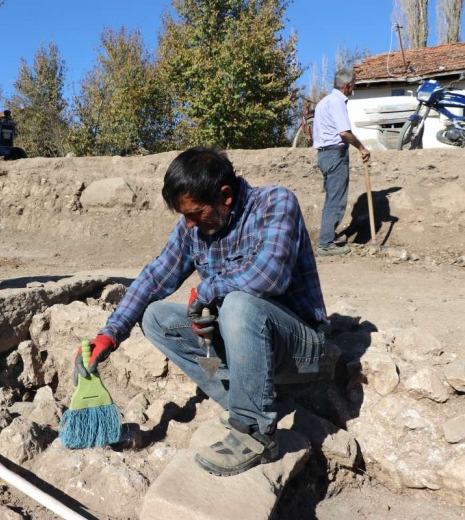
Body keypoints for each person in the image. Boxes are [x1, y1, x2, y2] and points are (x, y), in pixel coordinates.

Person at [73, 147, 328, 476]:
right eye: (184, 216)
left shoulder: (276, 203)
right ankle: (241, 398)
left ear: (225, 195)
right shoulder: (191, 229)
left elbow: (269, 276)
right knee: (156, 318)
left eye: (195, 213)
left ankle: (255, 434)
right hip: (246, 339)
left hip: (299, 347)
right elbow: (154, 277)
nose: (189, 225)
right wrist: (111, 333)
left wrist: (208, 292)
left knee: (238, 303)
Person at [313, 68, 371, 257]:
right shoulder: (337, 102)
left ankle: (327, 237)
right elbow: (344, 133)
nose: (354, 87)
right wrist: (362, 148)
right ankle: (325, 244)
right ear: (347, 85)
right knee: (336, 201)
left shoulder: (324, 102)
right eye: (353, 84)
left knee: (332, 198)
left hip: (324, 155)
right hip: (334, 155)